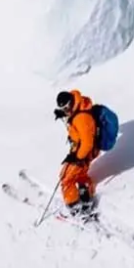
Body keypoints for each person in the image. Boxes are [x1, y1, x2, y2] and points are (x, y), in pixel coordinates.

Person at [53, 90, 101, 219]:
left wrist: (77, 157)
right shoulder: (77, 108)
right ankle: (86, 202)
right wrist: (63, 114)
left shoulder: (82, 118)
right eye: (63, 109)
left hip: (83, 154)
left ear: (72, 102)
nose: (66, 110)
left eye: (67, 107)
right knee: (80, 175)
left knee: (66, 179)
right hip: (82, 152)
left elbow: (87, 143)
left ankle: (75, 209)